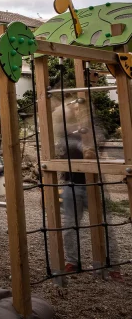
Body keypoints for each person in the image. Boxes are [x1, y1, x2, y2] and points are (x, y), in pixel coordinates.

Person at [54, 98, 123, 280]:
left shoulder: (93, 129)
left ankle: (109, 264)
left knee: (104, 226)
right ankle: (72, 262)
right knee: (70, 225)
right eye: (74, 108)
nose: (76, 111)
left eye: (79, 108)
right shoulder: (65, 130)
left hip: (93, 184)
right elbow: (64, 146)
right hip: (72, 183)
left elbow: (94, 147)